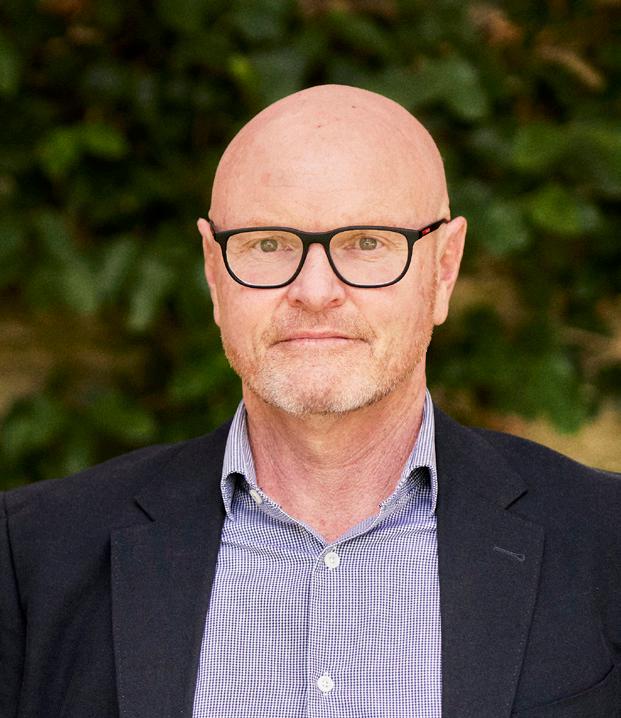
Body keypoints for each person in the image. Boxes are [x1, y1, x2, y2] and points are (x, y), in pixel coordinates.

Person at [1, 84, 620, 718]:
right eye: (268, 244)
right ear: (214, 272)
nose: (315, 291)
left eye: (368, 242)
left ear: (443, 268)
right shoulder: (32, 554)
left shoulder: (606, 539)